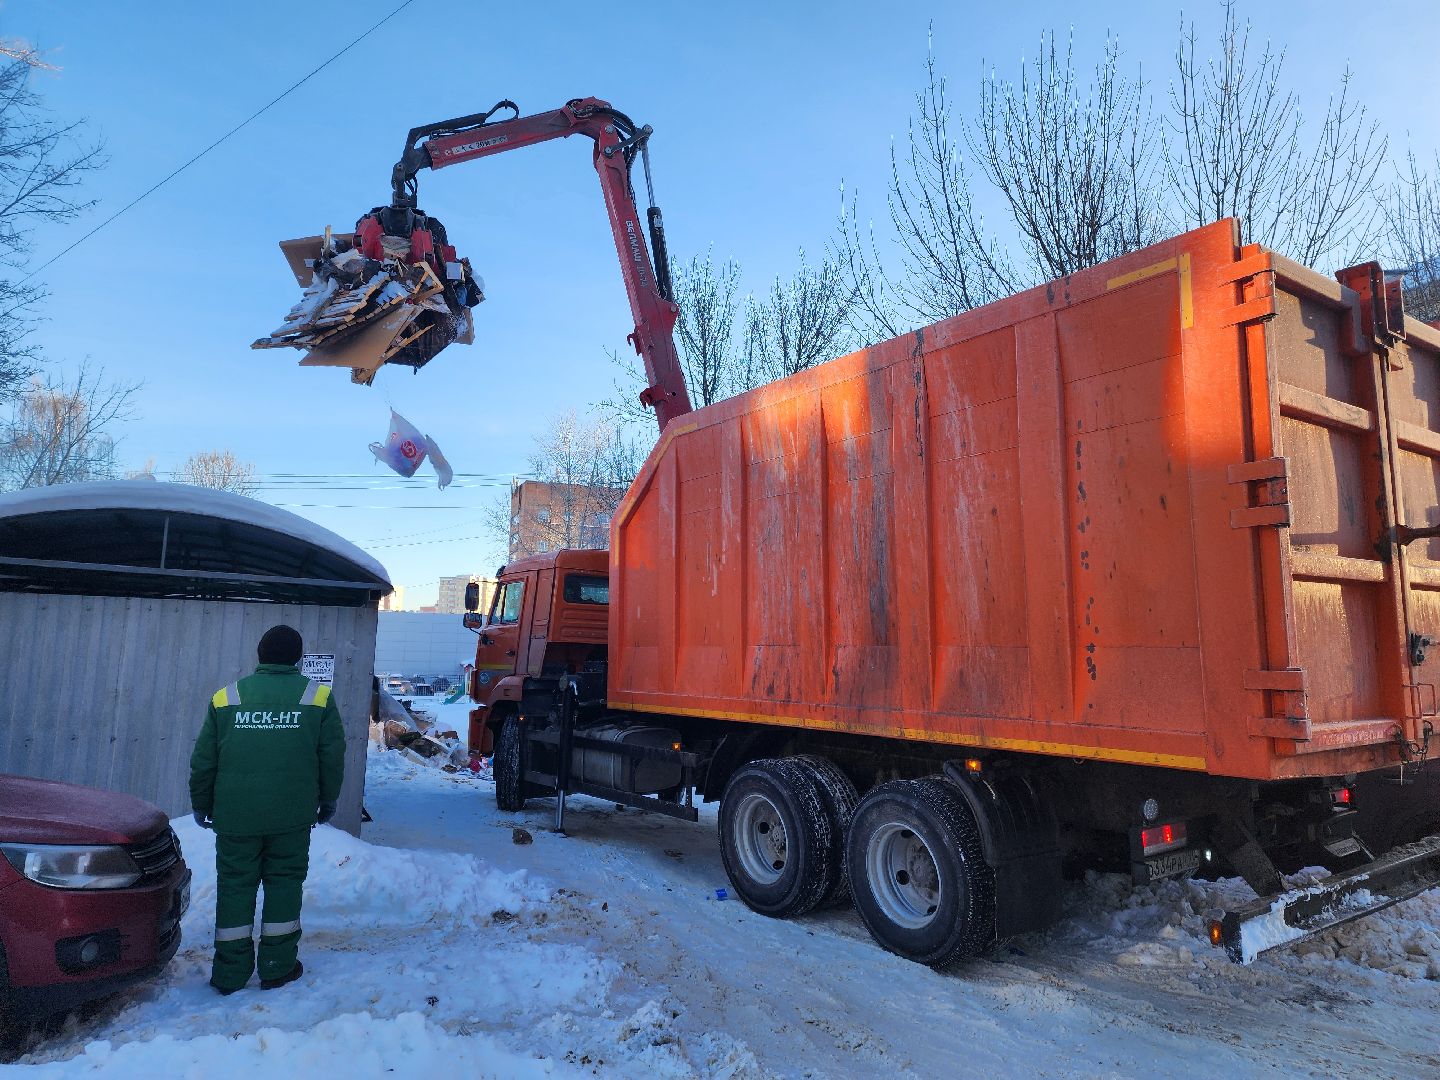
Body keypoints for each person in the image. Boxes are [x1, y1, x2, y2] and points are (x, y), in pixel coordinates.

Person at [189, 624, 345, 995]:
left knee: (234, 887)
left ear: (260, 655)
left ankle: (230, 973)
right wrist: (328, 799)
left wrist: (201, 803)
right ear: (298, 658)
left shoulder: (226, 697)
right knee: (285, 884)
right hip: (291, 816)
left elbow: (204, 760)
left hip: (235, 817)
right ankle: (277, 966)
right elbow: (332, 755)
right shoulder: (318, 697)